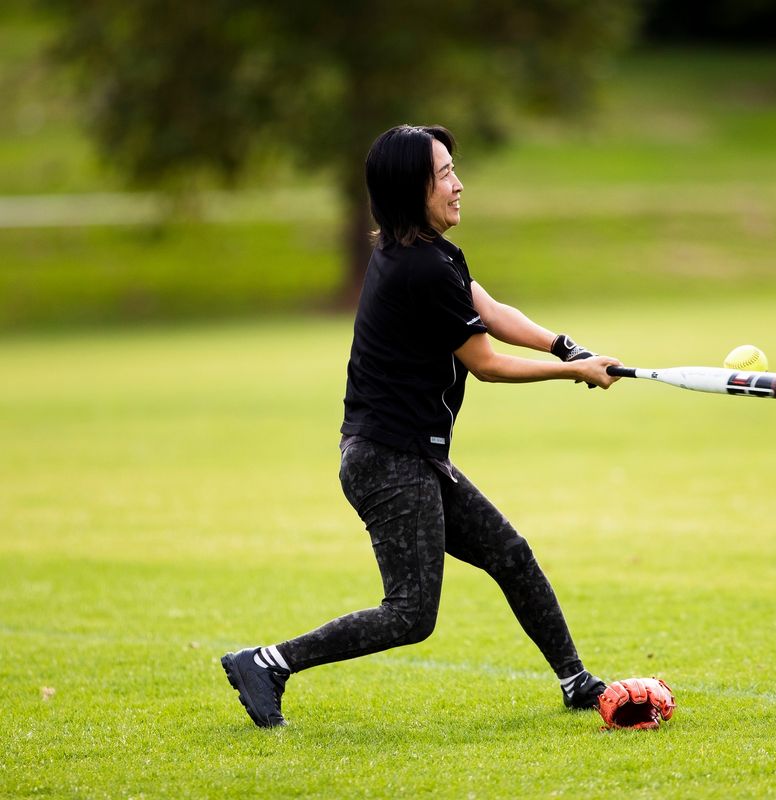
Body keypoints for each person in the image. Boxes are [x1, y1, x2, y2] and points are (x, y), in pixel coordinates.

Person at [221, 124, 622, 728]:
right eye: (444, 175)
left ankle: (575, 681)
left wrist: (568, 347)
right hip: (389, 461)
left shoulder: (429, 253)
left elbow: (492, 311)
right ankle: (267, 662)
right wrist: (574, 374)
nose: (459, 185)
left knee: (510, 555)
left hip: (409, 454)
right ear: (414, 188)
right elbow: (484, 363)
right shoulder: (420, 269)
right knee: (410, 613)